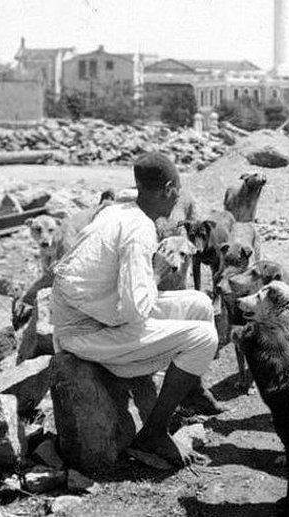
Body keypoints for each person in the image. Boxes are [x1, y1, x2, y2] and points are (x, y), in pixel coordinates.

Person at [51, 152, 223, 469]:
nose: (178, 198)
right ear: (168, 189)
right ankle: (154, 433)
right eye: (178, 190)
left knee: (199, 304)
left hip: (96, 315)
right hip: (86, 333)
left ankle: (185, 392)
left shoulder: (120, 211)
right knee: (203, 338)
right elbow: (135, 310)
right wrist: (157, 271)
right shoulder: (139, 230)